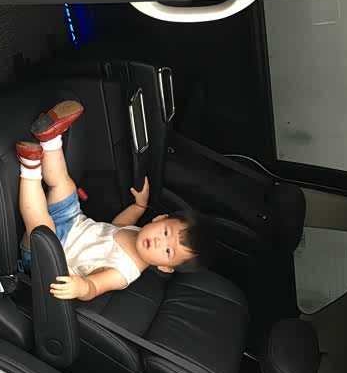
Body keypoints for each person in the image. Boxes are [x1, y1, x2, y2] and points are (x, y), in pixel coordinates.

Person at [17, 100, 213, 301]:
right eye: (165, 232)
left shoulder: (125, 271)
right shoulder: (136, 232)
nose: (158, 242)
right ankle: (49, 139)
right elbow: (119, 225)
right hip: (73, 219)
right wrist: (139, 206)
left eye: (168, 251)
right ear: (160, 219)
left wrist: (81, 287)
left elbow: (94, 286)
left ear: (165, 267)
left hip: (49, 254)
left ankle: (30, 167)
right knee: (65, 185)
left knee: (42, 225)